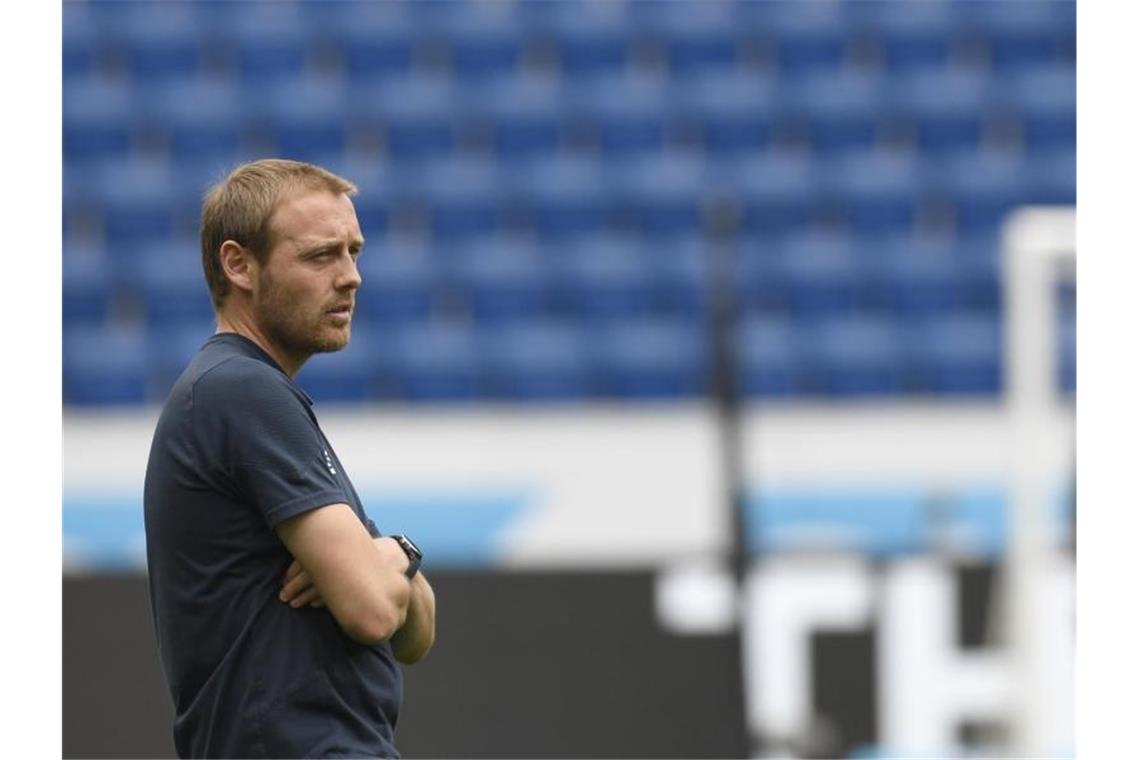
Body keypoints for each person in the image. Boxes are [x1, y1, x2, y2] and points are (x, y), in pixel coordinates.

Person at [144, 158, 435, 759]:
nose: (351, 276)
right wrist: (387, 561)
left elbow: (419, 633)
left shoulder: (248, 393)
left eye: (355, 251)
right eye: (321, 255)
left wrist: (389, 554)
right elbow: (377, 611)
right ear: (239, 265)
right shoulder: (242, 391)